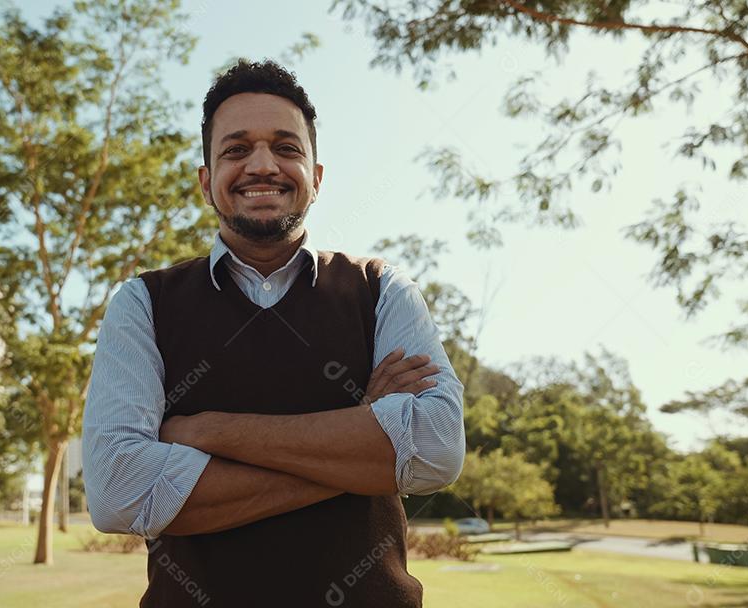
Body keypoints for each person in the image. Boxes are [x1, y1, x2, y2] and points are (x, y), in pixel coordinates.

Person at [83, 59, 465, 608]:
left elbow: (436, 449)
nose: (262, 166)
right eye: (236, 149)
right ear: (206, 181)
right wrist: (364, 443)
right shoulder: (143, 303)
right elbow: (118, 492)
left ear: (316, 177)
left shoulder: (382, 289)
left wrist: (207, 431)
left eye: (286, 148)